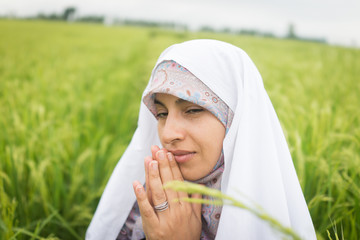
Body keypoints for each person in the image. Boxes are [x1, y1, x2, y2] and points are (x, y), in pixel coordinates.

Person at [86, 39, 316, 240]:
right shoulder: (145, 202)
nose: (167, 134)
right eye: (162, 113)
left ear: (235, 120)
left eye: (193, 110)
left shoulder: (267, 213)